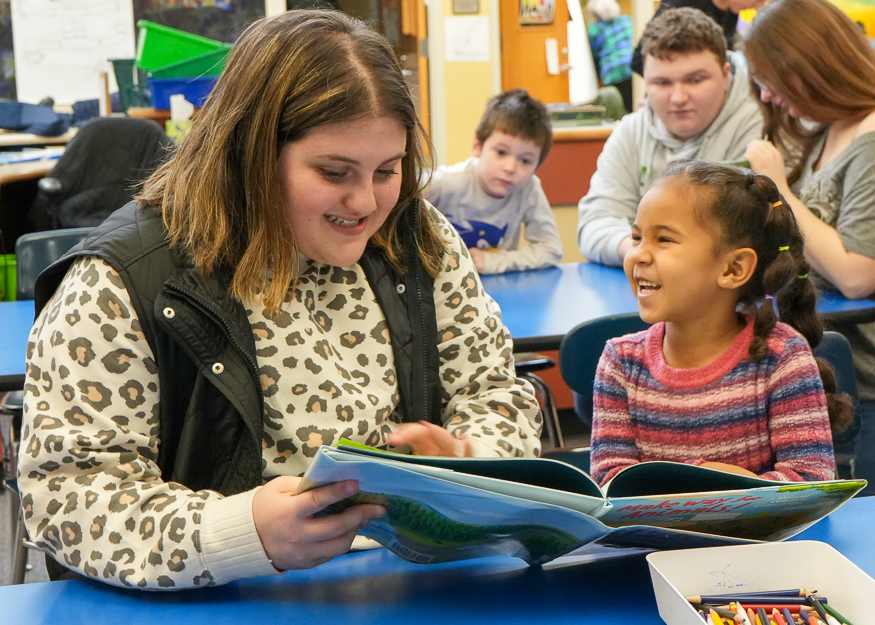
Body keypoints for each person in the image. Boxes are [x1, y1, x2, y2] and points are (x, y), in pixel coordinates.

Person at [17, 10, 542, 590]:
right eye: (333, 170)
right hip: (223, 597)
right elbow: (68, 496)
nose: (366, 201)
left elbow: (494, 389)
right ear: (250, 156)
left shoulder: (416, 236)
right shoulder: (125, 281)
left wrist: (473, 463)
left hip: (408, 587)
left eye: (387, 170)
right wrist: (243, 534)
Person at [589, 161, 853, 487]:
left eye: (664, 240)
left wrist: (699, 485)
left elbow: (809, 481)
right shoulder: (620, 363)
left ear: (733, 269)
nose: (639, 255)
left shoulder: (782, 358)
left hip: (763, 539)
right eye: (636, 237)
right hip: (650, 539)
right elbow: (611, 482)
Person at [743, 0, 875, 495]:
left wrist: (780, 187)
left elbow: (858, 273)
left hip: (864, 376)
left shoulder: (870, 138)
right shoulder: (830, 130)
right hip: (823, 361)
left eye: (775, 79)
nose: (769, 96)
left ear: (815, 67)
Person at [577, 8, 763, 267]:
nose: (678, 98)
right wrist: (641, 252)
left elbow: (752, 234)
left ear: (724, 75)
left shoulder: (762, 126)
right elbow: (595, 223)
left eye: (695, 80)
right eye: (662, 83)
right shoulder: (630, 131)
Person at [425, 88, 563, 275]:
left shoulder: (529, 189)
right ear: (478, 146)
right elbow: (402, 189)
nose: (510, 167)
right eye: (501, 152)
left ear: (537, 166)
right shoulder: (445, 183)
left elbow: (550, 249)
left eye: (526, 160)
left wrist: (492, 262)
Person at [629, 0, 767, 76]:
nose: (758, 6)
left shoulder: (731, 12)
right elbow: (639, 60)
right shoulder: (682, 3)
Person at [587, 0, 634, 114]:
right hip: (632, 69)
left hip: (613, 73)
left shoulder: (595, 29)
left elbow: (593, 59)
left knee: (617, 109)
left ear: (596, 15)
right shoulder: (626, 20)